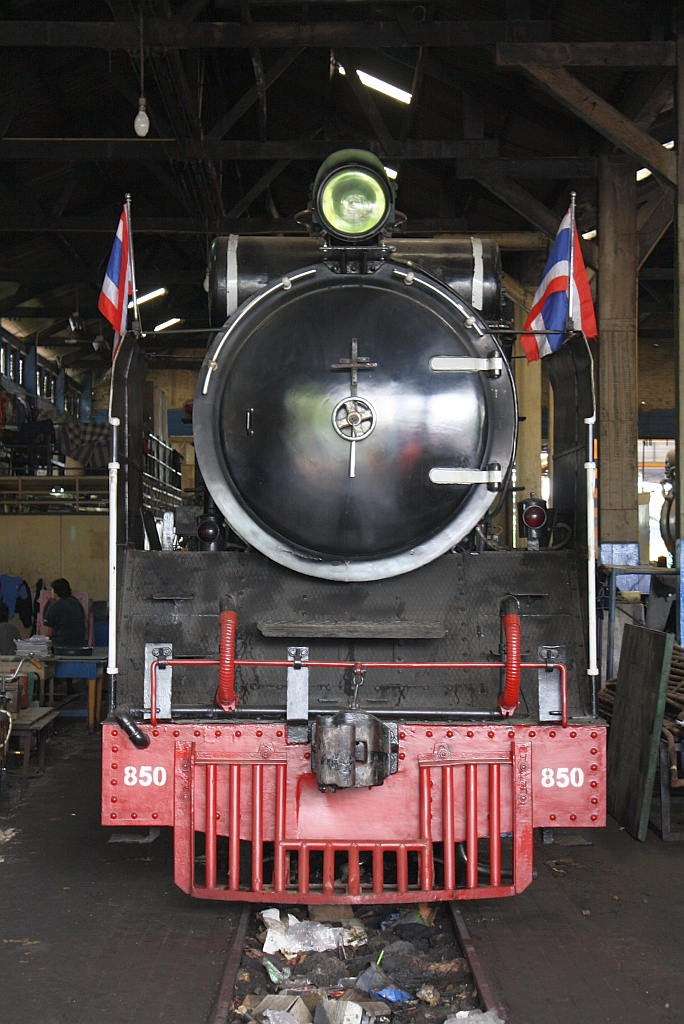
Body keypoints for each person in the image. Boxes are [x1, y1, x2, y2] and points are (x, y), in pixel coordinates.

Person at [44, 578, 86, 650]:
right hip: (79, 645)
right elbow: (85, 625)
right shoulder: (77, 604)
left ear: (56, 592)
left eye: (52, 589)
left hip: (59, 646)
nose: (51, 592)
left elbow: (48, 633)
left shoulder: (53, 607)